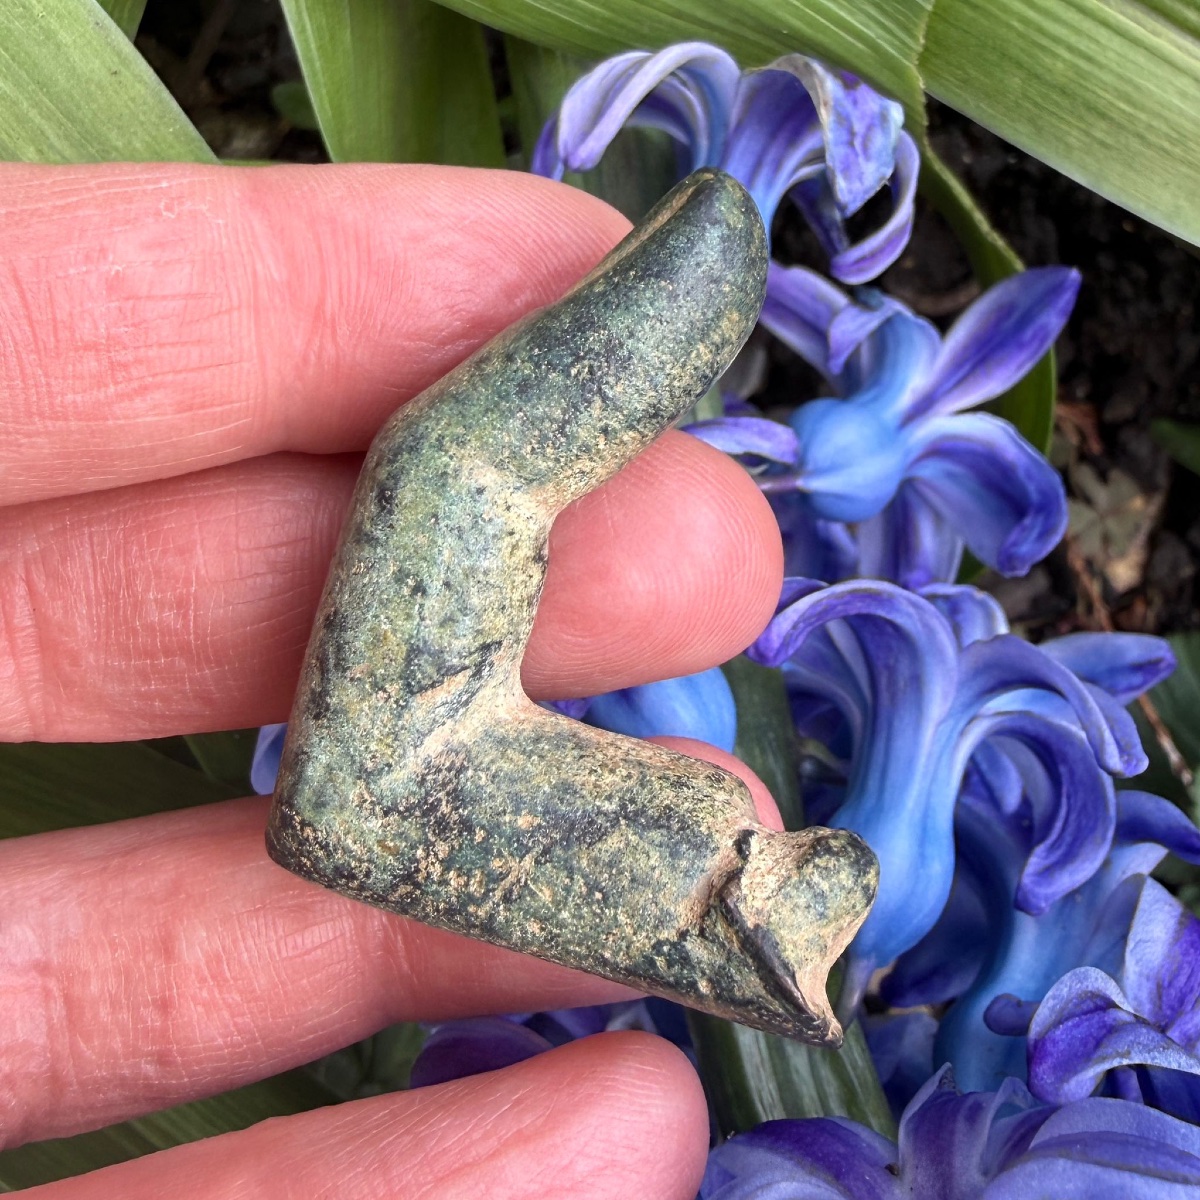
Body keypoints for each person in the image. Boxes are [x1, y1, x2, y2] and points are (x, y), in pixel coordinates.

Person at [0, 162, 784, 1197]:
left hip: (420, 762)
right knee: (458, 472)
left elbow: (375, 793)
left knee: (457, 472)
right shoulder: (653, 839)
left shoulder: (638, 843)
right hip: (417, 759)